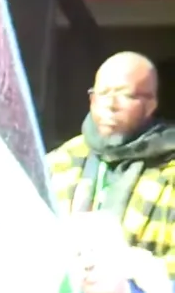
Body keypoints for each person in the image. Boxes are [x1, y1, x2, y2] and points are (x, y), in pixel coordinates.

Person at [47, 51, 175, 278]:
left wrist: (137, 269)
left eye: (125, 95)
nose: (110, 105)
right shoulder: (60, 161)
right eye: (102, 93)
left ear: (151, 104)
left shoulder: (169, 170)